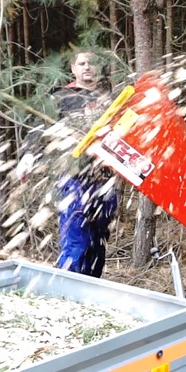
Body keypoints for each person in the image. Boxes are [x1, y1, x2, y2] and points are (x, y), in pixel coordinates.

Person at [53, 51, 119, 278]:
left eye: (92, 63)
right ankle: (68, 288)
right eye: (82, 63)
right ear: (73, 68)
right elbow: (40, 132)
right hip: (73, 176)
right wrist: (28, 155)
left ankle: (92, 286)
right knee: (76, 240)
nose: (87, 67)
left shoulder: (110, 99)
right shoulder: (62, 98)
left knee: (97, 241)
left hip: (104, 178)